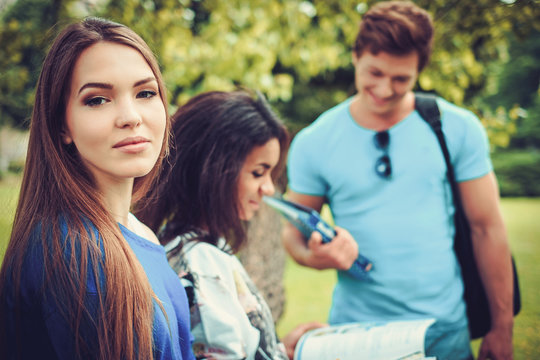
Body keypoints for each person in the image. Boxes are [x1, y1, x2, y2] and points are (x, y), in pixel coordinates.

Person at [281, 2, 514, 360]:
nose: (385, 89)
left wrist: (501, 328)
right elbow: (293, 236)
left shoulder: (458, 128)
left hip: (444, 333)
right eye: (375, 72)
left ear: (420, 71)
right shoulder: (315, 141)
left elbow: (488, 229)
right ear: (356, 55)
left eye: (401, 79)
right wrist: (317, 256)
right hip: (355, 337)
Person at [0, 17, 194, 360]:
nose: (130, 116)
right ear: (62, 125)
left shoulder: (139, 233)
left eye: (146, 93)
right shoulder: (75, 253)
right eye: (98, 100)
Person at [137, 90, 324, 360]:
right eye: (258, 173)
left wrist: (278, 348)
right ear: (214, 170)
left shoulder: (183, 244)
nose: (268, 188)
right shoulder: (201, 263)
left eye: (271, 173)